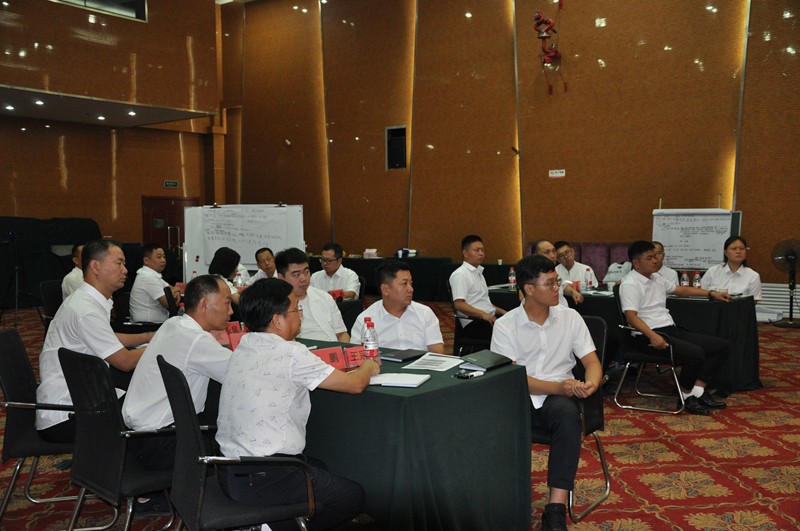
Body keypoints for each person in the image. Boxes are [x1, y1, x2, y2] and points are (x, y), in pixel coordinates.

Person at [215, 278, 379, 531]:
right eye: (295, 309)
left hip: (230, 470)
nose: (300, 315)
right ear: (277, 320)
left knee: (319, 467)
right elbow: (355, 384)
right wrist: (368, 365)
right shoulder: (291, 352)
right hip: (265, 476)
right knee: (353, 497)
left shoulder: (244, 345)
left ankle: (268, 523)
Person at [490, 255, 602, 531]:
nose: (557, 288)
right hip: (519, 395)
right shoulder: (506, 325)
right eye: (550, 283)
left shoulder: (570, 317)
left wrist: (590, 384)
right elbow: (512, 378)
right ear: (529, 289)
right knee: (485, 418)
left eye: (557, 282)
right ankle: (500, 500)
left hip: (558, 398)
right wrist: (559, 387)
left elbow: (592, 362)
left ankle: (555, 509)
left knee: (567, 417)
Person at [36, 239, 155, 443]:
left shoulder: (86, 300)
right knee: (153, 405)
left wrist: (148, 337)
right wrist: (164, 344)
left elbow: (107, 338)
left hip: (82, 398)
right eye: (119, 263)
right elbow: (125, 362)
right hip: (68, 414)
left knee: (146, 394)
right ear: (95, 266)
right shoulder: (86, 310)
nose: (125, 270)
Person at [122, 275, 233, 470]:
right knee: (231, 419)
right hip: (164, 442)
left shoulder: (173, 323)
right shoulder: (196, 340)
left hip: (136, 436)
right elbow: (242, 372)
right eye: (227, 303)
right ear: (204, 304)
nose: (231, 310)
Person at [620, 240, 732, 415]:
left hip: (670, 330)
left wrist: (711, 293)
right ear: (636, 263)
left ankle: (697, 391)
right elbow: (631, 317)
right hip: (647, 337)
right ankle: (685, 396)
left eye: (655, 256)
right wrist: (652, 336)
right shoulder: (630, 284)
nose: (655, 260)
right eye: (649, 258)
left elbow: (681, 290)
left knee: (721, 346)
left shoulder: (656, 278)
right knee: (695, 353)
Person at [351, 260, 444, 353]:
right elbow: (356, 355)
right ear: (386, 289)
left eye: (411, 283)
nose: (411, 289)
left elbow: (437, 353)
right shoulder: (365, 321)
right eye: (404, 284)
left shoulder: (424, 313)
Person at [276, 248, 350, 343]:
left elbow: (342, 333)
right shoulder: (274, 305)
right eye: (296, 275)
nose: (303, 278)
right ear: (281, 278)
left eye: (306, 272)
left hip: (333, 347)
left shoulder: (324, 297)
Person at [448, 235, 507, 343]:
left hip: (486, 318)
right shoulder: (460, 274)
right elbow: (459, 304)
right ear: (465, 253)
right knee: (508, 333)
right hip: (474, 322)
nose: (481, 253)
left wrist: (502, 311)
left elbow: (483, 302)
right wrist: (483, 314)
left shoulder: (478, 272)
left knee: (513, 324)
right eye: (476, 250)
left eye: (482, 250)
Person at [129, 243, 181, 323]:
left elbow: (172, 288)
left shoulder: (152, 275)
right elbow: (168, 302)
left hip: (155, 323)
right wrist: (175, 291)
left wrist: (176, 291)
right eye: (159, 257)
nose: (163, 260)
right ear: (146, 260)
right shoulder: (148, 277)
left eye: (164, 257)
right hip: (148, 325)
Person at [701, 235, 762, 302]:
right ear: (725, 252)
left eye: (742, 248)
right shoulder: (712, 271)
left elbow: (753, 302)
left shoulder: (753, 276)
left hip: (740, 308)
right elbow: (701, 293)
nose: (738, 251)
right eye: (734, 249)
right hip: (713, 307)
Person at [532, 240, 584, 307]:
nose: (553, 256)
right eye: (547, 252)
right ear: (535, 256)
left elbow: (563, 285)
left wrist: (572, 292)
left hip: (563, 311)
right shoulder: (530, 277)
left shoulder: (553, 272)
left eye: (554, 251)